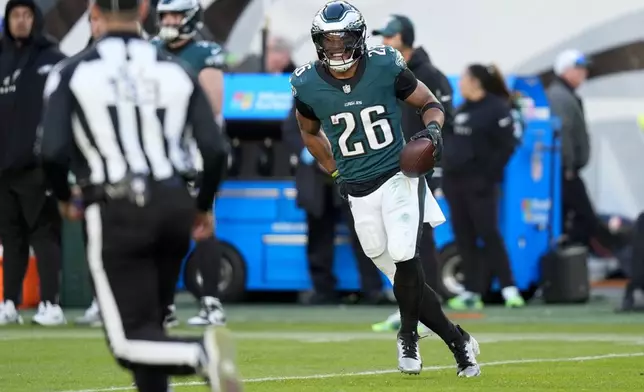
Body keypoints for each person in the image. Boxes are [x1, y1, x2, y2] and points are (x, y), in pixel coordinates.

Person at [38, 0, 240, 390]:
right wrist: (202, 206)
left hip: (115, 206)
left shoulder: (72, 71)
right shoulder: (176, 68)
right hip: (174, 203)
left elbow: (50, 150)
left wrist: (64, 196)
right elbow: (214, 149)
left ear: (94, 9)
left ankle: (202, 354)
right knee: (152, 327)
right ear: (145, 9)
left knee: (128, 342)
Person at [290, 0, 480, 377]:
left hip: (399, 175)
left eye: (342, 39)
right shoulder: (307, 83)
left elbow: (429, 102)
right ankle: (458, 340)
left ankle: (407, 335)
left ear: (358, 38)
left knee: (403, 252)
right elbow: (308, 134)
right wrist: (333, 170)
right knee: (399, 274)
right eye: (327, 41)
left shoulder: (384, 65)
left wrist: (434, 131)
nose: (335, 48)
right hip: (357, 187)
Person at [371, 14, 455, 332]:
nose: (385, 42)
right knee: (397, 239)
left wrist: (433, 154)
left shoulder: (430, 74)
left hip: (421, 167)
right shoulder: (383, 73)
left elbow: (445, 116)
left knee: (418, 238)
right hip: (389, 167)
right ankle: (412, 305)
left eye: (390, 37)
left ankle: (422, 309)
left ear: (405, 38)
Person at [152, 0, 227, 327]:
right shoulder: (151, 49)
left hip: (194, 151)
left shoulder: (204, 53)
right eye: (165, 15)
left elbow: (212, 106)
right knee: (159, 230)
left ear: (190, 18)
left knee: (201, 225)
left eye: (174, 15)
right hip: (159, 151)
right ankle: (164, 304)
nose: (168, 21)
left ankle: (211, 302)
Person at [0, 0, 67, 326]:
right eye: (15, 15)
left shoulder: (52, 60)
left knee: (45, 238)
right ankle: (9, 302)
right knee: (11, 239)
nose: (21, 21)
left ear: (35, 19)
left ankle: (49, 304)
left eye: (27, 15)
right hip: (3, 170)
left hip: (37, 169)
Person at [282, 104, 387, 305]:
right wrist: (314, 155)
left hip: (352, 175)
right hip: (317, 182)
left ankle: (373, 289)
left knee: (365, 234)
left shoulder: (351, 95)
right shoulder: (304, 93)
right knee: (318, 238)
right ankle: (323, 290)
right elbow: (290, 130)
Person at [441, 64, 523, 310]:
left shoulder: (496, 109)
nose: (461, 84)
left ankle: (509, 288)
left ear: (476, 82)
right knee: (463, 236)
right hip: (455, 182)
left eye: (464, 78)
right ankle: (471, 291)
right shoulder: (462, 108)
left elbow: (507, 146)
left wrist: (488, 176)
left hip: (481, 184)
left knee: (488, 233)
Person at [546, 49, 620, 253]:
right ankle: (567, 256)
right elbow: (563, 133)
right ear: (566, 70)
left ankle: (565, 260)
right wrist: (567, 166)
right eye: (579, 69)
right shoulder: (560, 97)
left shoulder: (565, 95)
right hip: (565, 172)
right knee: (586, 218)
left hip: (566, 170)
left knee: (566, 217)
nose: (584, 74)